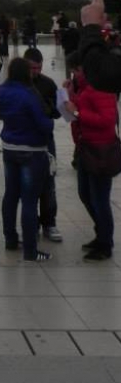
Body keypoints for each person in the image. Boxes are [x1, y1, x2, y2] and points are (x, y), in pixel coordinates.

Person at [0, 57, 54, 262]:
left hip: (9, 146)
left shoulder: (1, 91)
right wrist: (50, 123)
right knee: (29, 200)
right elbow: (44, 124)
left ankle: (10, 239)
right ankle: (31, 250)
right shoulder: (30, 94)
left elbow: (0, 115)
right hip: (32, 149)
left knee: (10, 195)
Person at [63, 66, 118, 260]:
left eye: (78, 70)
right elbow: (77, 106)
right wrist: (69, 92)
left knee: (99, 198)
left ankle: (105, 242)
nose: (75, 73)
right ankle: (101, 233)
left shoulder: (101, 89)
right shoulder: (85, 88)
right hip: (85, 147)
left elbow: (107, 119)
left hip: (100, 151)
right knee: (85, 193)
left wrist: (77, 114)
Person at [24, 48, 63, 243]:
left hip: (45, 139)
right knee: (27, 183)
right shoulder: (16, 84)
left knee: (49, 182)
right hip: (24, 139)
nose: (36, 72)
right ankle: (31, 224)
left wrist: (50, 108)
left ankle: (49, 222)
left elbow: (57, 112)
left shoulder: (48, 84)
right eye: (32, 68)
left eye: (39, 68)